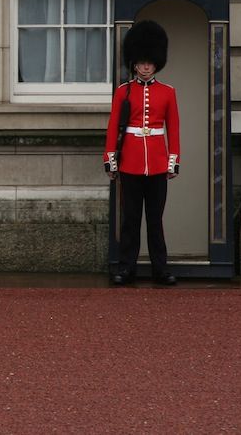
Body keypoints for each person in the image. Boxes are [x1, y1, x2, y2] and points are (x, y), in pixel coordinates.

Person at [103, 20, 180, 286]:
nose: (146, 67)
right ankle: (126, 268)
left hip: (157, 163)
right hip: (131, 163)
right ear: (134, 63)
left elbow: (174, 129)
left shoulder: (168, 93)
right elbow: (113, 127)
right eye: (141, 62)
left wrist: (173, 161)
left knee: (155, 221)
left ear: (156, 63)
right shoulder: (123, 92)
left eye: (150, 62)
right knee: (131, 220)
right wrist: (110, 160)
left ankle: (160, 269)